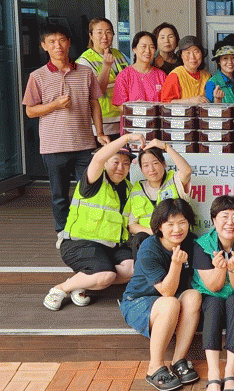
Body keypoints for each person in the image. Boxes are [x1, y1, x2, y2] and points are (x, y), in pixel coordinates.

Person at [23, 23, 109, 238]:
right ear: (44, 46)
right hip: (54, 146)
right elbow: (30, 111)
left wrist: (99, 133)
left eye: (62, 40)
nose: (58, 45)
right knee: (59, 195)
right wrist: (55, 105)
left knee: (89, 190)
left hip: (84, 144)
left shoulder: (86, 72)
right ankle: (63, 232)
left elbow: (95, 103)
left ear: (69, 43)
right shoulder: (37, 76)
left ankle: (89, 231)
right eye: (52, 41)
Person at [42, 133, 143, 311]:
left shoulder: (128, 188)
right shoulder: (94, 180)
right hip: (79, 243)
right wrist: (127, 137)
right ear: (106, 162)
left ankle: (81, 283)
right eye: (115, 162)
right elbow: (97, 159)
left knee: (135, 268)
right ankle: (61, 288)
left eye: (126, 164)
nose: (120, 167)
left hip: (111, 246)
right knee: (105, 275)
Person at [120, 198, 201, 391]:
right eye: (170, 224)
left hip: (170, 300)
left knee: (193, 296)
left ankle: (178, 360)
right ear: (159, 227)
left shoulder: (191, 242)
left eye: (182, 222)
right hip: (138, 301)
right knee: (170, 302)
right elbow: (167, 291)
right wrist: (176, 264)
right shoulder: (149, 248)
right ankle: (154, 368)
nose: (177, 229)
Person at [192, 196, 234, 391]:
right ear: (214, 220)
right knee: (214, 304)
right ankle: (213, 373)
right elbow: (213, 287)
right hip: (210, 296)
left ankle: (230, 371)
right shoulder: (202, 245)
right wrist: (221, 269)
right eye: (224, 216)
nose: (230, 223)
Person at [124, 139, 192, 255]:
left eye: (155, 163)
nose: (151, 169)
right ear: (141, 169)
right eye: (146, 165)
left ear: (163, 164)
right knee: (139, 238)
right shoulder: (136, 189)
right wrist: (154, 232)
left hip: (177, 238)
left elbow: (187, 171)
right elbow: (132, 225)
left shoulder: (174, 180)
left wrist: (166, 147)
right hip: (149, 239)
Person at [76, 17, 129, 140]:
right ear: (91, 35)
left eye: (108, 32)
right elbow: (96, 93)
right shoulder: (84, 61)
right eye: (99, 32)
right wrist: (106, 66)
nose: (104, 37)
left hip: (123, 120)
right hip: (102, 125)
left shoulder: (118, 54)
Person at [112, 31, 166, 114]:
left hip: (155, 121)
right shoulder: (124, 76)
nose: (147, 51)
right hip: (133, 121)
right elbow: (119, 104)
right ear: (134, 49)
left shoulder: (161, 76)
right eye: (143, 46)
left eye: (151, 47)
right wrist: (138, 109)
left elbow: (166, 103)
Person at [160, 36, 211, 104]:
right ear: (181, 56)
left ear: (201, 54)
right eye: (187, 52)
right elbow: (165, 103)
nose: (192, 57)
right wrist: (190, 100)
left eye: (196, 52)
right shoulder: (175, 76)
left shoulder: (207, 76)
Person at [204, 37, 234, 103]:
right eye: (225, 58)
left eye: (233, 58)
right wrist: (217, 100)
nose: (230, 62)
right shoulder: (212, 83)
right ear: (219, 61)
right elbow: (208, 108)